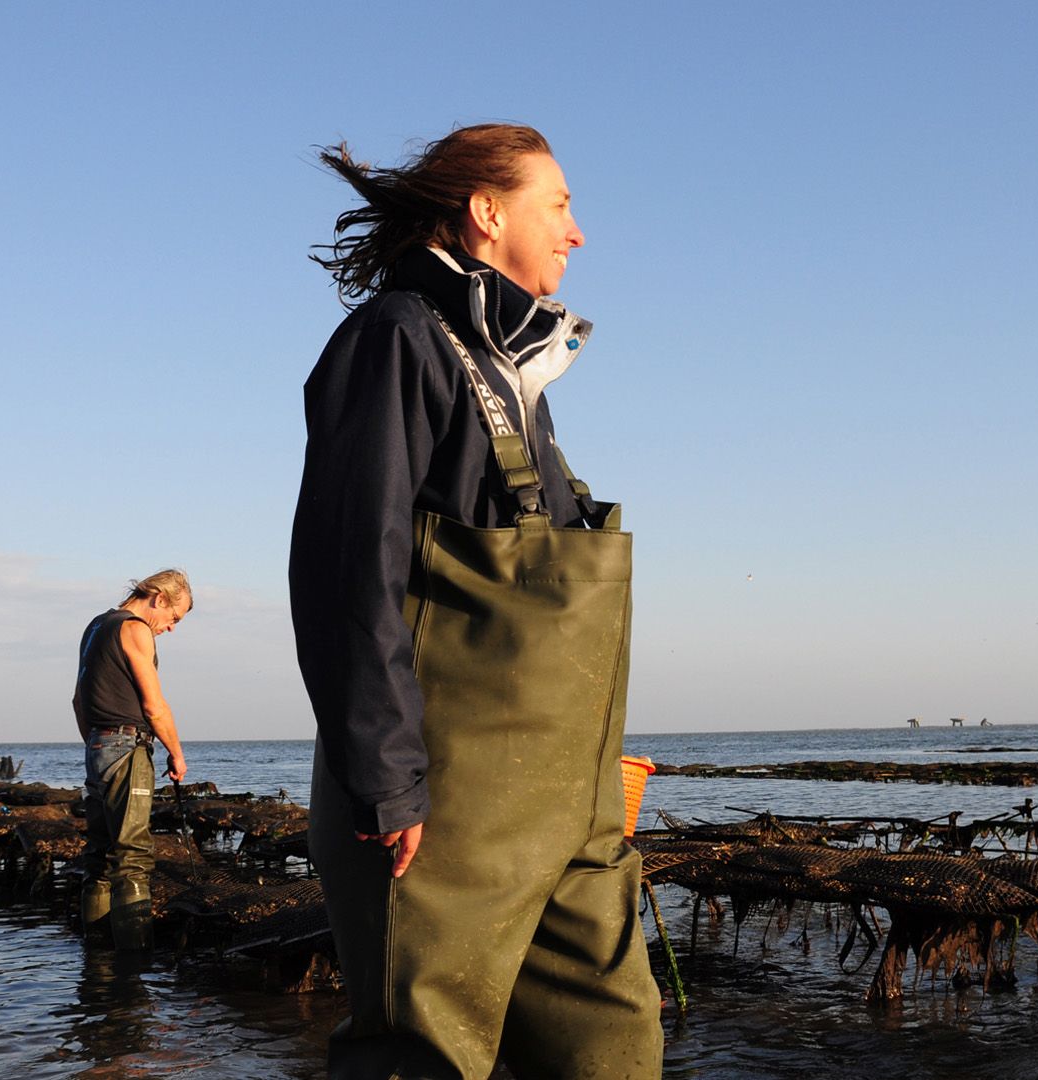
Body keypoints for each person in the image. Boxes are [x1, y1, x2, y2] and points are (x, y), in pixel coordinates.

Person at [289, 123, 663, 1079]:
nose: (578, 232)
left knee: (613, 1045)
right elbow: (347, 571)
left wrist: (590, 770)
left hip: (571, 811)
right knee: (421, 1056)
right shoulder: (396, 338)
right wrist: (387, 777)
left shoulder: (518, 369)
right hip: (440, 810)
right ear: (487, 213)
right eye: (560, 204)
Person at [73, 569, 192, 952]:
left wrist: (96, 743)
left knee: (99, 858)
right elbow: (154, 706)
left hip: (97, 746)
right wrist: (176, 752)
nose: (170, 628)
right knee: (132, 858)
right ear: (159, 598)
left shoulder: (96, 626)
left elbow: (78, 701)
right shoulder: (135, 628)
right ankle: (134, 965)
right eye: (174, 617)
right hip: (128, 746)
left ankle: (96, 956)